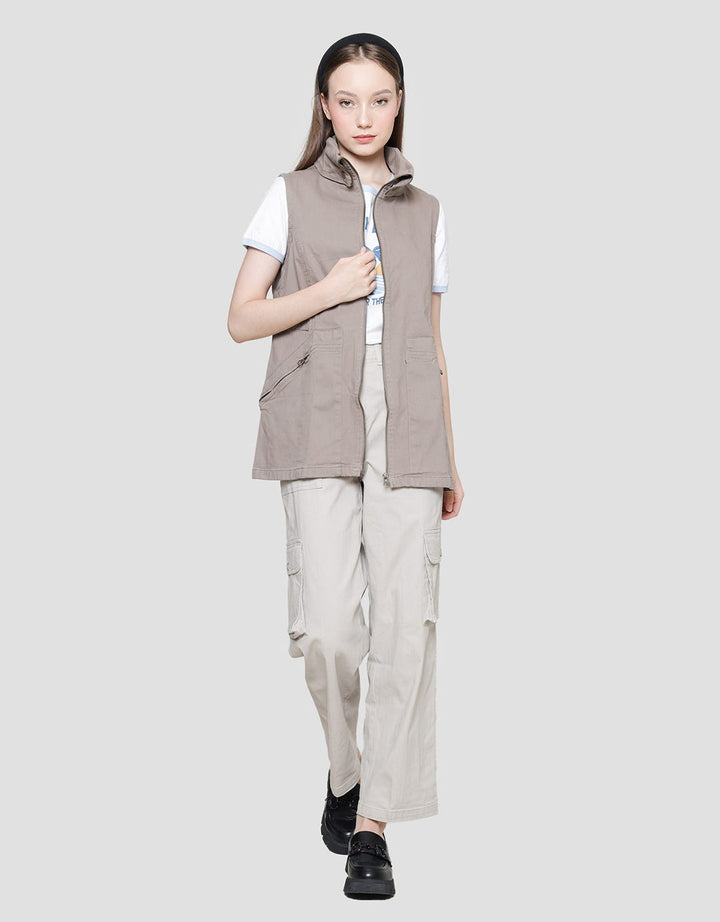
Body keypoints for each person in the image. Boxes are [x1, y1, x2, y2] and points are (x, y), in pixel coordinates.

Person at [227, 32, 464, 899]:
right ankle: (346, 772)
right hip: (317, 409)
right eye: (348, 99)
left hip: (410, 423)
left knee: (406, 629)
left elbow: (431, 341)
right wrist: (329, 290)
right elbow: (241, 319)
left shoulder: (426, 211)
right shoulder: (288, 195)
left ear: (400, 104)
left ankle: (373, 828)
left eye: (381, 99)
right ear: (324, 107)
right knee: (329, 628)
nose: (365, 116)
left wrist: (450, 454)